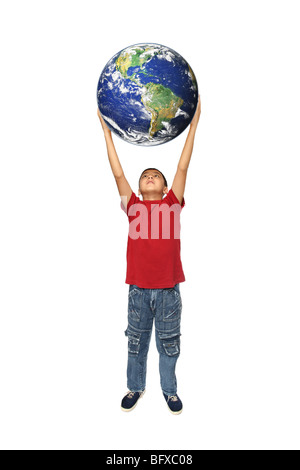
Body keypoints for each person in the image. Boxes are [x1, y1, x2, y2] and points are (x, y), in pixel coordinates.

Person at [97, 96, 201, 414]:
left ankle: (169, 391)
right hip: (139, 289)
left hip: (169, 289)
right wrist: (106, 133)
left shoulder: (172, 204)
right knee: (136, 343)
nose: (150, 176)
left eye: (156, 174)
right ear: (141, 189)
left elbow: (183, 165)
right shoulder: (134, 207)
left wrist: (194, 123)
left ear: (167, 187)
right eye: (145, 176)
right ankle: (135, 388)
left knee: (169, 345)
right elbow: (118, 176)